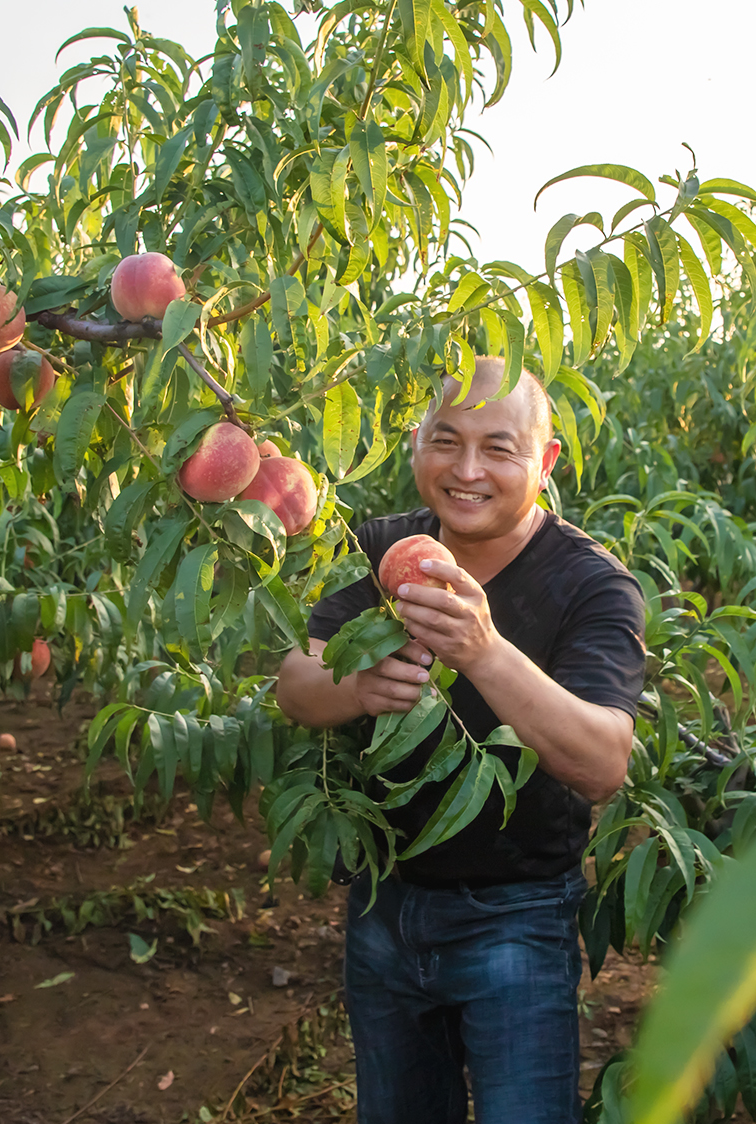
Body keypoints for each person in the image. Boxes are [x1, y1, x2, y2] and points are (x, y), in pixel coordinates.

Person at [274, 357, 647, 1123]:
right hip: (383, 905)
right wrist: (355, 688)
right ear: (417, 445)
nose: (467, 470)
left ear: (545, 462)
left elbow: (604, 763)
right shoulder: (380, 549)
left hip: (517, 917)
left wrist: (483, 651)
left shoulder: (592, 584)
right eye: (446, 440)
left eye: (498, 448)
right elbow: (294, 685)